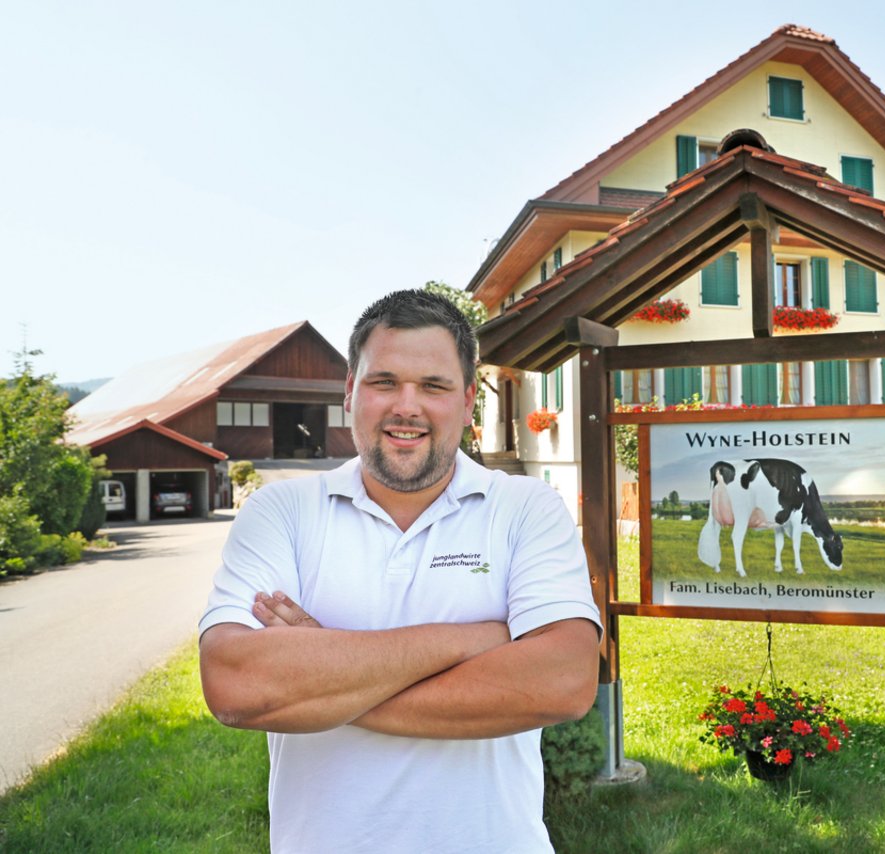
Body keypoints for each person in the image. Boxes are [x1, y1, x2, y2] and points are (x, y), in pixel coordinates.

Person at [198, 289, 602, 853]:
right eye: (383, 382)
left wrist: (324, 672)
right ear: (350, 394)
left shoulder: (525, 509)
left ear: (466, 404)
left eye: (433, 386)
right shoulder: (281, 512)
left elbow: (564, 682)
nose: (406, 406)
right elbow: (237, 685)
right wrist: (476, 639)